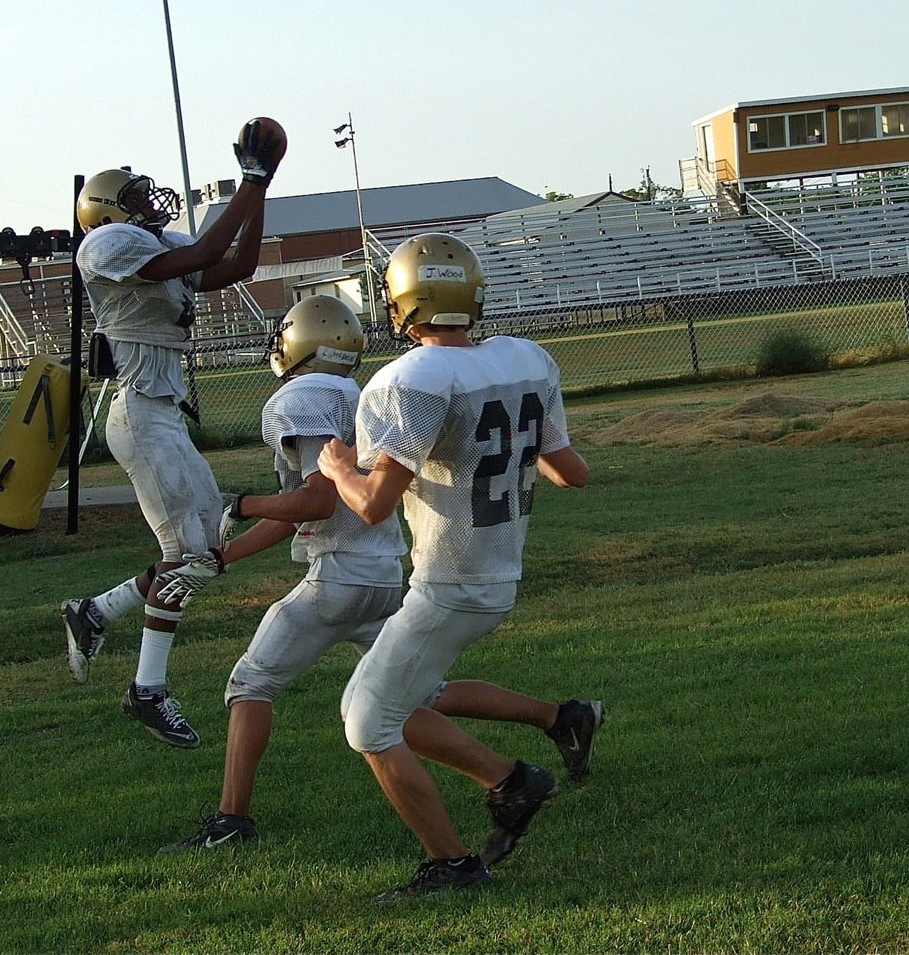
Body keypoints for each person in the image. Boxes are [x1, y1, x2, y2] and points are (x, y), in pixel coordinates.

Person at [158, 294, 602, 856]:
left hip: (401, 577)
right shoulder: (502, 364)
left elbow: (342, 502)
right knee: (410, 696)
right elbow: (571, 473)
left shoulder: (371, 387)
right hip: (431, 573)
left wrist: (310, 481)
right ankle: (555, 723)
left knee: (334, 710)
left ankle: (469, 831)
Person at [317, 232, 600, 903]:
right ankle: (510, 781)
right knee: (389, 702)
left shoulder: (407, 381)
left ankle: (452, 862)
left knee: (366, 722)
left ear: (402, 302)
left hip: (447, 583)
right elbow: (573, 474)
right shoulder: (524, 360)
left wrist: (334, 468)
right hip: (495, 574)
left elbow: (374, 504)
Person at [59, 117, 285, 750]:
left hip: (162, 416)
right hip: (141, 414)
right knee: (193, 557)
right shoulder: (103, 247)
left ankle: (96, 611)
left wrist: (259, 191)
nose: (145, 205)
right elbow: (207, 254)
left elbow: (238, 261)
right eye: (131, 199)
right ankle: (147, 689)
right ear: (105, 213)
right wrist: (249, 180)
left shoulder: (155, 246)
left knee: (202, 545)